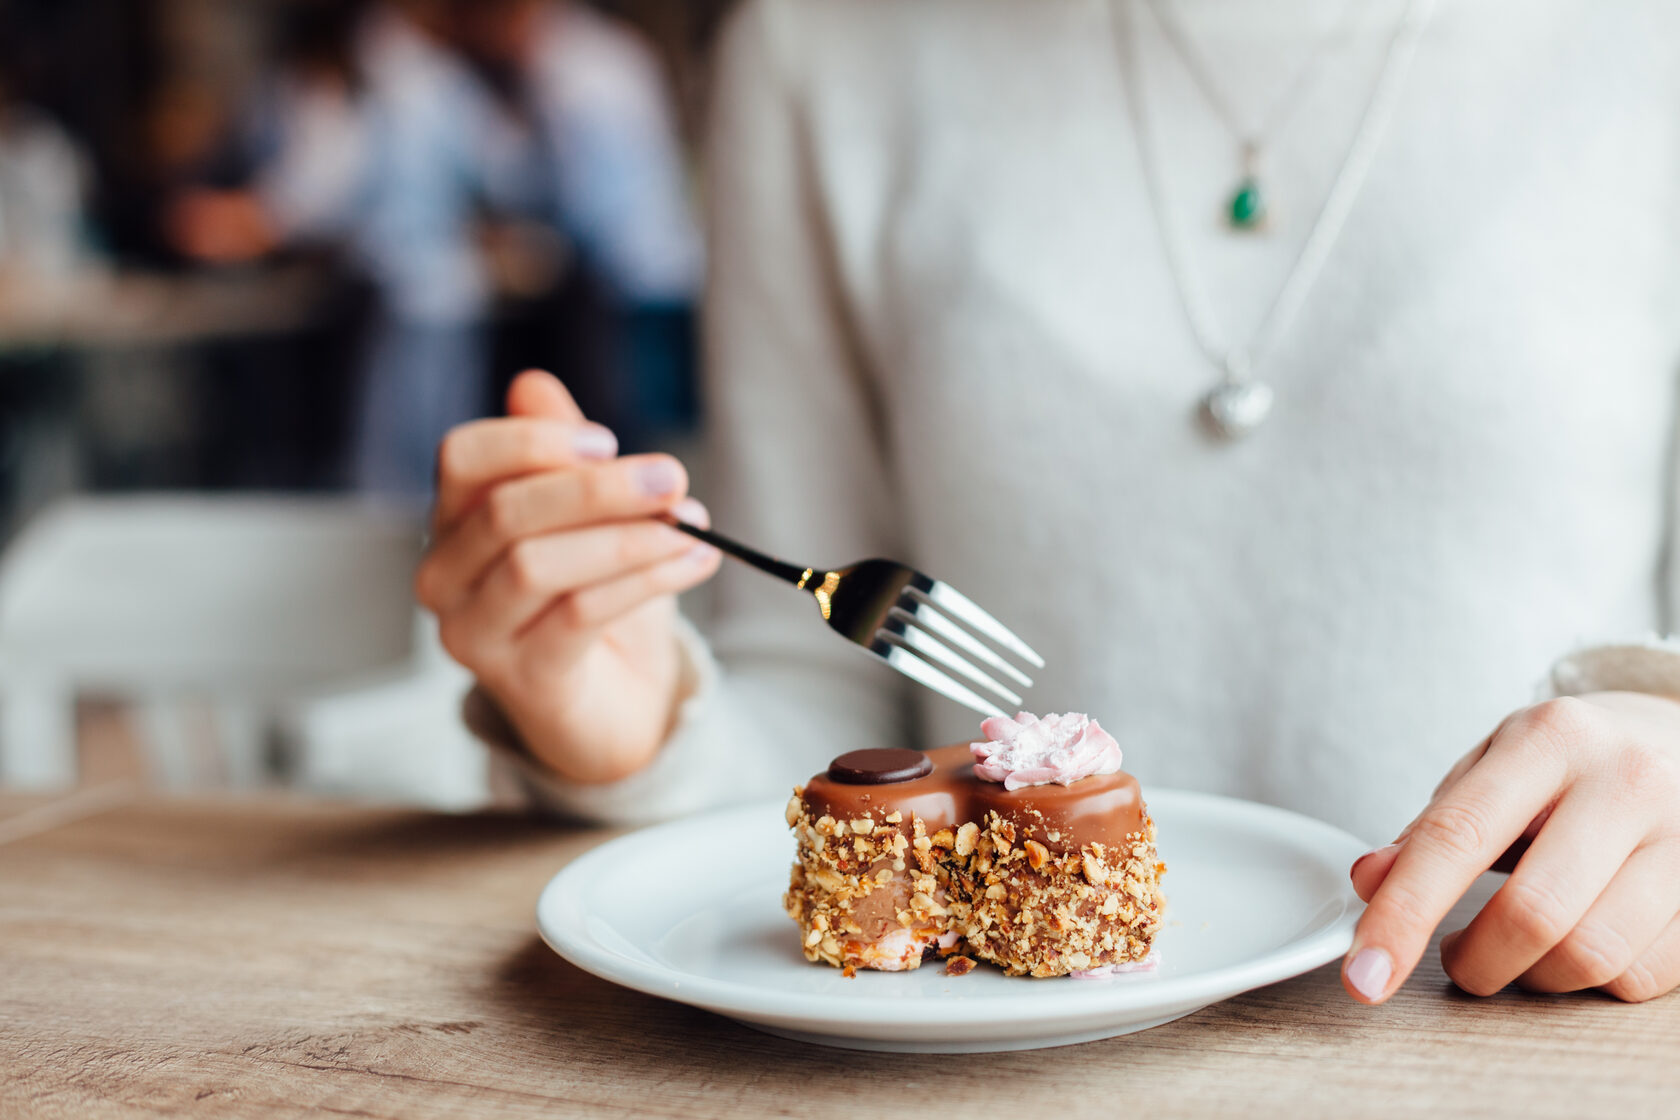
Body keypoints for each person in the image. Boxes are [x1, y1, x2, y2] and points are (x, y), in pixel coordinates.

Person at [416, 0, 1680, 1010]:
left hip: (1505, 1023)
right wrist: (634, 721)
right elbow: (830, 722)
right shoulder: (820, 48)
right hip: (959, 1073)